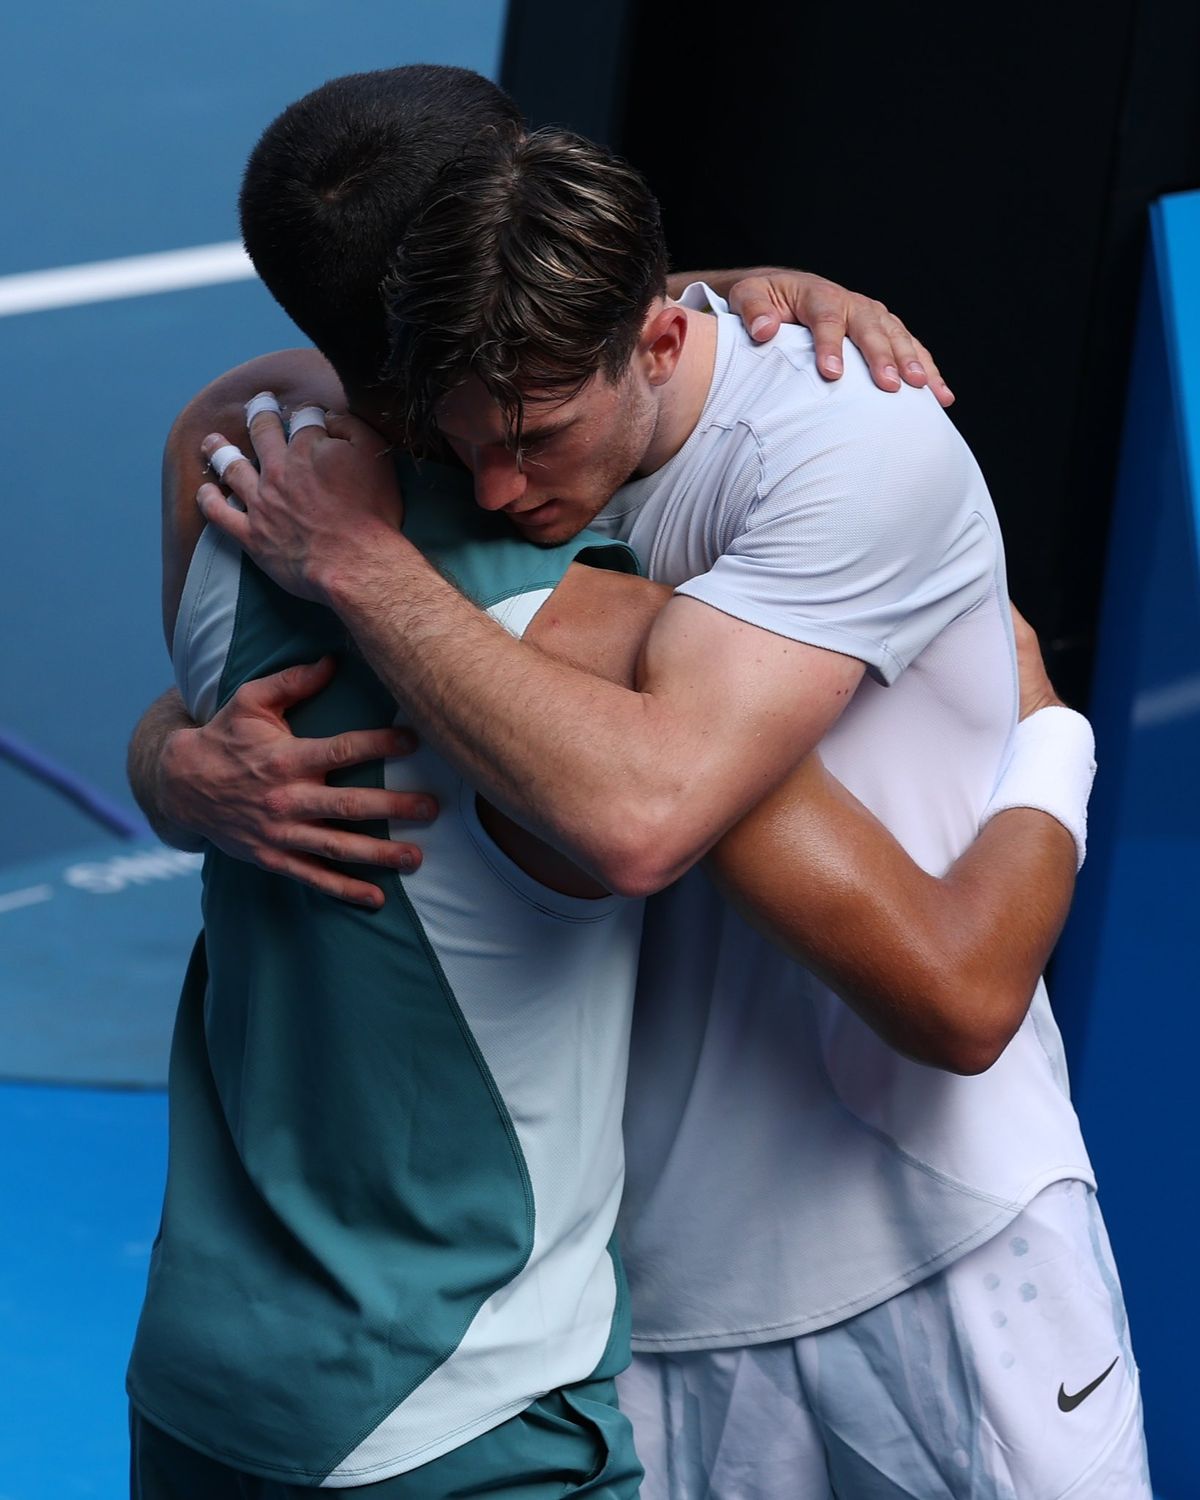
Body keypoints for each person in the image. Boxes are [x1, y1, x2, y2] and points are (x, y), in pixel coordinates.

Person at [180, 111, 1149, 1498]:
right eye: (464, 441)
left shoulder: (832, 452)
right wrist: (178, 761)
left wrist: (1058, 739)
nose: (504, 485)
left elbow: (918, 978)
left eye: (535, 434)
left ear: (649, 336)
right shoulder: (469, 469)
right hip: (647, 1299)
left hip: (932, 1247)